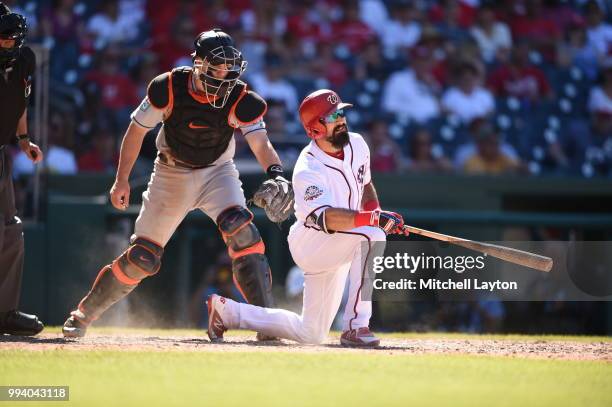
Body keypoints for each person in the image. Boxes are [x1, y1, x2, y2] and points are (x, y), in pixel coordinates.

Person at [62, 29, 295, 338]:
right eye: (217, 67)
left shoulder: (240, 97)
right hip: (171, 172)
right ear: (198, 64)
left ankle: (266, 324)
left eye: (229, 68)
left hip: (217, 171)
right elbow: (135, 132)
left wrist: (276, 172)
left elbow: (261, 143)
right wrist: (121, 181)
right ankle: (82, 315)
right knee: (142, 257)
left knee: (243, 232)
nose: (224, 75)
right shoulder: (168, 87)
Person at [207, 89, 409, 347]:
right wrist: (374, 222)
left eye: (341, 112)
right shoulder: (307, 168)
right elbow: (328, 219)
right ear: (315, 128)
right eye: (333, 115)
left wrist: (377, 214)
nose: (341, 119)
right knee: (372, 236)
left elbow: (365, 185)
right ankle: (356, 327)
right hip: (313, 243)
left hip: (343, 240)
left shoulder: (357, 143)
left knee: (311, 334)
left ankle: (228, 312)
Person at [0, 2, 44, 336]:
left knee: (11, 230)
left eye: (11, 37)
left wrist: (24, 139)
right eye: (2, 37)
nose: (6, 42)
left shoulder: (25, 59)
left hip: (2, 151)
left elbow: (20, 102)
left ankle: (5, 311)